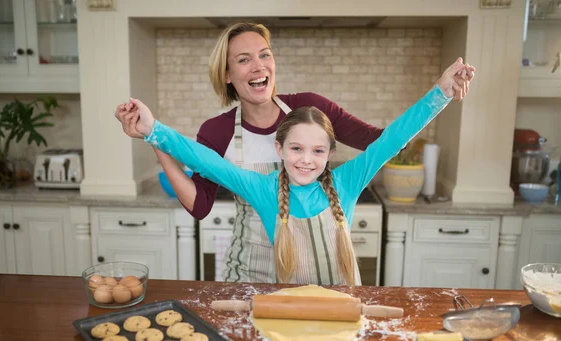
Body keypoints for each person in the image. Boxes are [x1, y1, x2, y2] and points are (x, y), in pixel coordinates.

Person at [115, 22, 475, 283]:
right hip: (254, 278)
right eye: (243, 60)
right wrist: (152, 131)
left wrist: (441, 92)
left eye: (318, 150)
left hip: (334, 300)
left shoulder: (345, 177)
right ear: (279, 147)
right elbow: (203, 162)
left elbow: (389, 140)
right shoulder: (261, 185)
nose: (306, 159)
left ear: (331, 151)